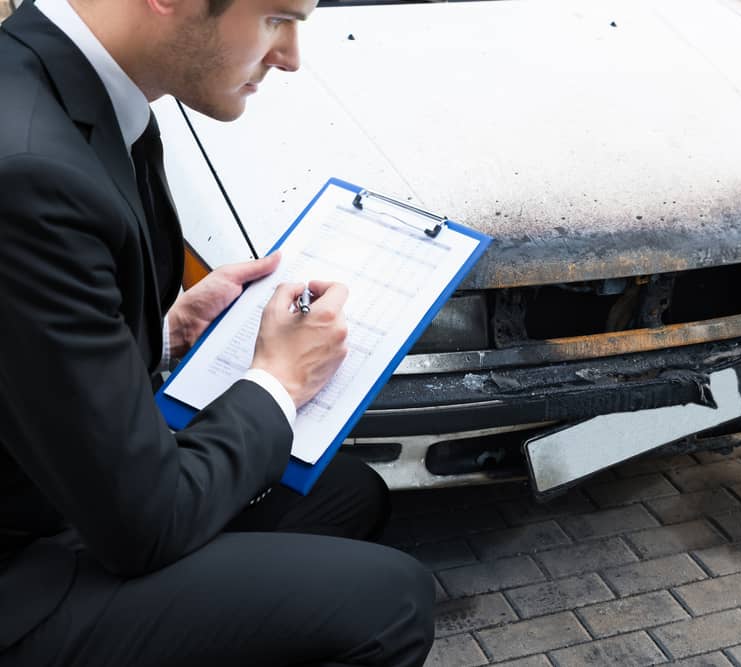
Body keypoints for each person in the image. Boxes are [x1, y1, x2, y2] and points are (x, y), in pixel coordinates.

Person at [0, 0, 435, 664]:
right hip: (23, 576)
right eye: (275, 18)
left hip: (60, 493)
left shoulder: (66, 90)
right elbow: (143, 526)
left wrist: (171, 335)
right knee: (392, 601)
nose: (290, 56)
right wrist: (278, 380)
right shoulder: (30, 171)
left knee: (347, 493)